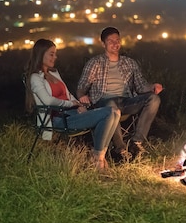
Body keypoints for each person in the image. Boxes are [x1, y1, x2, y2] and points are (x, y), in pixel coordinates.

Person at [25, 38, 121, 171]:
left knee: (116, 112)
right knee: (109, 112)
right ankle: (98, 158)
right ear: (41, 54)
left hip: (71, 114)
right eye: (51, 54)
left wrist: (78, 104)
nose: (55, 57)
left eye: (55, 54)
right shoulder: (35, 78)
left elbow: (68, 94)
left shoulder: (54, 73)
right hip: (59, 119)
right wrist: (71, 104)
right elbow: (48, 101)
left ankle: (99, 156)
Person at [77, 27, 164, 162]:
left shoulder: (129, 63)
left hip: (126, 101)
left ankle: (136, 142)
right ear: (103, 44)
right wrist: (82, 95)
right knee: (112, 106)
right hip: (103, 102)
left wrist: (152, 86)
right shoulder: (95, 63)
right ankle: (121, 149)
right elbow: (81, 86)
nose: (115, 43)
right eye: (110, 41)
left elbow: (141, 86)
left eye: (117, 40)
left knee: (154, 99)